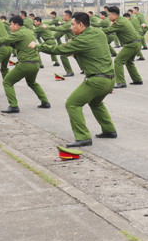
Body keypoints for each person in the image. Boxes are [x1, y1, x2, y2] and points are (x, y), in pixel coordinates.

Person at [31, 12, 117, 148]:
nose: (71, 28)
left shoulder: (81, 40)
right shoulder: (99, 32)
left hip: (97, 80)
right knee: (96, 103)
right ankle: (109, 130)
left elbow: (58, 49)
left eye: (72, 25)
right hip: (110, 79)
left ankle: (83, 137)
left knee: (72, 104)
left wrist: (37, 46)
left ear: (81, 25)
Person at [0, 15, 50, 114]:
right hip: (35, 64)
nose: (10, 27)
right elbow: (17, 44)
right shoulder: (29, 32)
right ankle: (45, 102)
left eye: (11, 24)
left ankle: (13, 106)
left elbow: (2, 41)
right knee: (32, 83)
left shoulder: (18, 33)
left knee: (7, 82)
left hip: (25, 64)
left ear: (16, 25)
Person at [102, 7, 143, 88]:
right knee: (129, 62)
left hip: (131, 44)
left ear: (114, 15)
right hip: (136, 43)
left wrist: (93, 31)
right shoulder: (123, 19)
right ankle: (137, 79)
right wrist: (112, 24)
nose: (108, 17)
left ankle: (121, 82)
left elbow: (106, 31)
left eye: (109, 15)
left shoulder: (119, 23)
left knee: (118, 61)